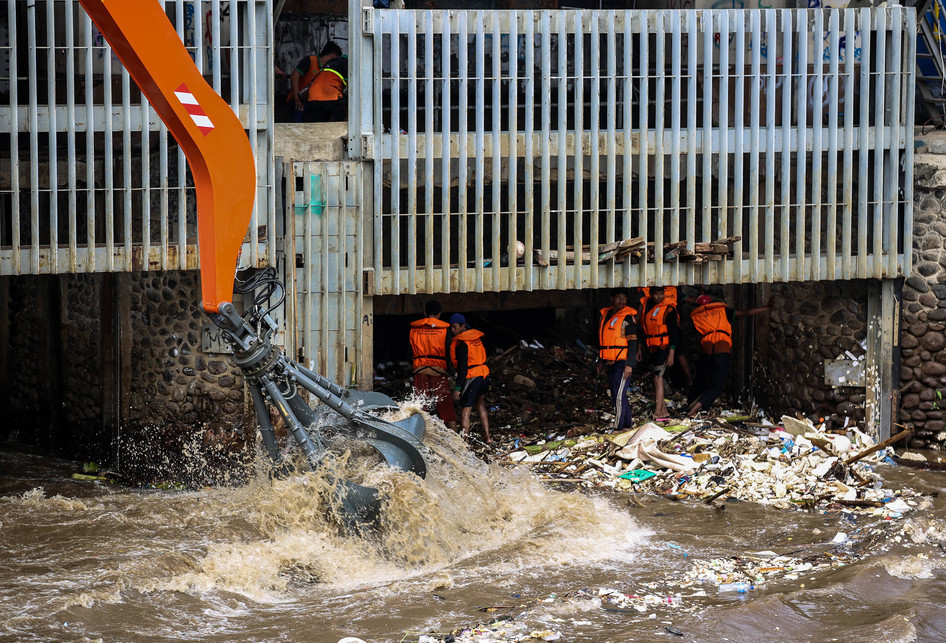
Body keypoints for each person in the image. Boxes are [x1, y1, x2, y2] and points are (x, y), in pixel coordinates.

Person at [686, 294, 771, 417]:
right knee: (717, 385)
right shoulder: (723, 311)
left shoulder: (697, 317)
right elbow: (746, 313)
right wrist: (767, 307)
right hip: (722, 349)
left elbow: (699, 340)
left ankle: (692, 403)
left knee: (701, 378)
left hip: (706, 350)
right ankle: (693, 410)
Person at [409, 300, 457, 428]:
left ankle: (421, 434)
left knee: (421, 405)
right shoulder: (445, 330)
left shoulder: (414, 329)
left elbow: (410, 351)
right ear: (439, 314)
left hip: (420, 371)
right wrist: (452, 371)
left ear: (425, 313)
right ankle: (455, 434)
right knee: (445, 404)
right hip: (438, 371)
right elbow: (450, 352)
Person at [598, 289, 639, 430]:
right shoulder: (606, 315)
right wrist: (601, 361)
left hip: (623, 362)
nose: (621, 301)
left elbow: (633, 342)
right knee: (616, 393)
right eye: (618, 298)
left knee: (619, 395)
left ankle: (618, 427)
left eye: (624, 298)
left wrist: (630, 364)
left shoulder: (628, 317)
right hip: (610, 361)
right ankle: (628, 424)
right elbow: (603, 340)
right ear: (612, 299)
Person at [448, 313, 491, 444]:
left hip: (473, 377)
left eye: (455, 327)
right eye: (451, 327)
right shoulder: (476, 338)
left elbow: (463, 370)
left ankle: (464, 442)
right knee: (480, 404)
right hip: (484, 374)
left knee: (466, 410)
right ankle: (488, 437)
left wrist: (457, 389)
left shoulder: (462, 343)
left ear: (462, 325)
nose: (452, 330)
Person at [640, 286, 679, 420]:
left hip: (665, 348)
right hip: (654, 348)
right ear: (651, 294)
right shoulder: (648, 307)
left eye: (661, 294)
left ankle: (658, 412)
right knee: (656, 377)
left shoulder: (669, 310)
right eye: (657, 294)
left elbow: (674, 333)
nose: (659, 297)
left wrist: (671, 352)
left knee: (659, 377)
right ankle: (663, 412)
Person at [288, 42, 348, 123]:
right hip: (299, 97)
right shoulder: (310, 60)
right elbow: (294, 76)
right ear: (333, 56)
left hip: (313, 98)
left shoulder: (328, 68)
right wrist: (296, 98)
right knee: (299, 110)